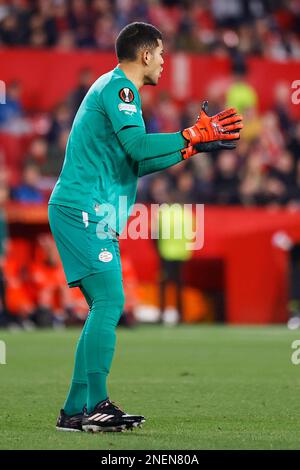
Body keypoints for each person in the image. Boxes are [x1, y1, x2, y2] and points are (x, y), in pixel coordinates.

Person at [48, 21, 243, 434]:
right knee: (110, 301)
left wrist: (190, 145)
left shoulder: (118, 90)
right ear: (145, 53)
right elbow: (139, 146)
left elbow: (138, 160)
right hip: (84, 208)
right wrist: (188, 132)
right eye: (161, 53)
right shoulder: (121, 89)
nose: (164, 61)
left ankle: (74, 410)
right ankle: (96, 404)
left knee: (104, 305)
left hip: (89, 210)